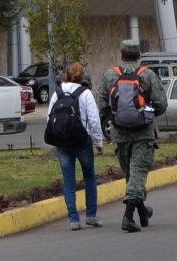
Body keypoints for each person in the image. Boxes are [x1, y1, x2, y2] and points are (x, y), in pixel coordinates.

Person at [97, 39, 167, 233]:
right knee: (137, 174)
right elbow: (161, 104)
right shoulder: (147, 75)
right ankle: (128, 217)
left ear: (121, 55)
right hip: (143, 133)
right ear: (139, 55)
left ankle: (143, 212)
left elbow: (102, 103)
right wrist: (146, 113)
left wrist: (115, 116)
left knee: (131, 174)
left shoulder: (111, 75)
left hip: (119, 134)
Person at [48, 62, 104, 230]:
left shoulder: (57, 93)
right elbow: (94, 120)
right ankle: (91, 215)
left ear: (65, 74)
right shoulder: (85, 93)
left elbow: (50, 117)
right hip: (82, 140)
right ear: (82, 76)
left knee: (69, 181)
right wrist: (98, 142)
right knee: (89, 176)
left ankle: (73, 219)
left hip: (63, 142)